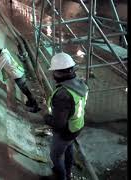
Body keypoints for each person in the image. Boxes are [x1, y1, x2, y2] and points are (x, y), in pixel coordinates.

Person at [44, 52, 89, 180]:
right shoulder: (81, 84)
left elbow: (59, 124)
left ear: (59, 73)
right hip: (76, 126)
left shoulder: (63, 95)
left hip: (66, 131)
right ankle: (68, 173)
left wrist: (46, 117)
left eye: (54, 72)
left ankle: (61, 177)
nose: (52, 75)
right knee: (68, 148)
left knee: (55, 156)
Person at [0, 43, 40, 113]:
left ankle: (35, 107)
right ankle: (31, 102)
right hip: (18, 73)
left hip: (18, 76)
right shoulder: (2, 53)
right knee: (25, 91)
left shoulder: (3, 57)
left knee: (26, 91)